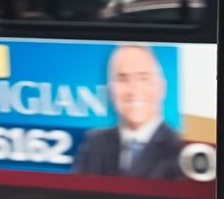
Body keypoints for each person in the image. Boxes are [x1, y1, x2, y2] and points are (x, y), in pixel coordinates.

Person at [72, 44, 184, 179]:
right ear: (110, 90)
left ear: (160, 86)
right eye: (123, 79)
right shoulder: (94, 143)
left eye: (143, 78)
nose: (133, 90)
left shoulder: (180, 147)